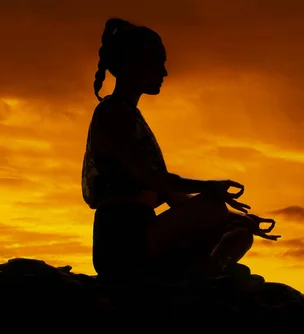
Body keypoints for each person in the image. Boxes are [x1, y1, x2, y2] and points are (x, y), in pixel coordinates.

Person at [81, 18, 280, 281]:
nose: (164, 73)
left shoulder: (131, 116)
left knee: (239, 230)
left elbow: (171, 194)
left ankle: (205, 272)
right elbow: (150, 177)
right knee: (212, 207)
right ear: (135, 64)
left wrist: (237, 218)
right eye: (158, 63)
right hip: (122, 239)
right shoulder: (112, 114)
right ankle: (203, 276)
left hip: (146, 230)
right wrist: (209, 189)